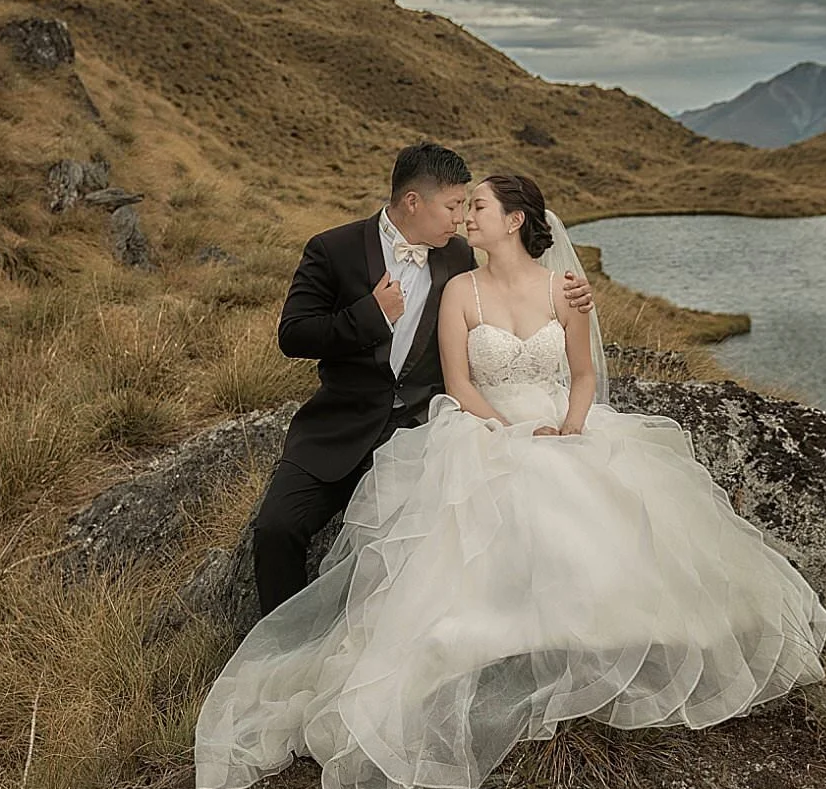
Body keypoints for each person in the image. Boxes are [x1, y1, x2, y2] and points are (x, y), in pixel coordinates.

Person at [196, 172, 826, 789]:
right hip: (485, 426)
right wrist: (506, 429)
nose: (467, 215)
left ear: (516, 219)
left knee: (599, 516)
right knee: (489, 527)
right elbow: (457, 381)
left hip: (566, 425)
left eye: (478, 207)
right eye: (462, 205)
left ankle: (589, 641)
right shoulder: (457, 289)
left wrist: (572, 427)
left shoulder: (568, 290)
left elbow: (584, 376)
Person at [250, 143, 593, 619]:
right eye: (453, 206)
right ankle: (278, 646)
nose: (459, 220)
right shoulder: (333, 249)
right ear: (414, 202)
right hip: (339, 429)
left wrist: (574, 289)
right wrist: (369, 316)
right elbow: (293, 334)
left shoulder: (457, 259)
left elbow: (513, 286)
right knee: (276, 529)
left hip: (421, 432)